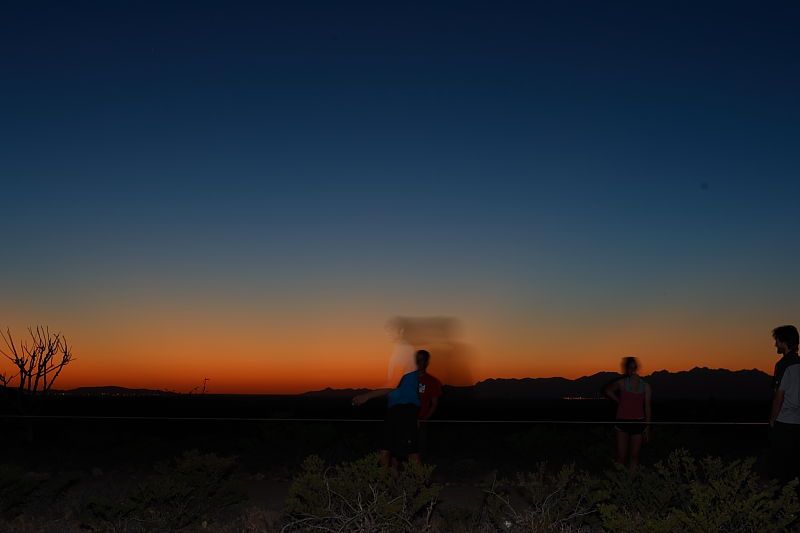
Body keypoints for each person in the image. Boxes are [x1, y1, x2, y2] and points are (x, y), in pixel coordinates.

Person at [352, 350, 425, 468]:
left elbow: (391, 387)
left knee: (411, 452)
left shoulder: (408, 369)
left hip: (405, 411)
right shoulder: (399, 370)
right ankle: (383, 485)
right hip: (394, 411)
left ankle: (421, 484)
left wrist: (366, 396)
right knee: (385, 449)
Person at [604, 357, 652, 470]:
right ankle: (620, 483)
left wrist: (648, 427)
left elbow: (648, 407)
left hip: (638, 423)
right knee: (621, 456)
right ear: (626, 369)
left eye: (634, 367)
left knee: (634, 456)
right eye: (630, 368)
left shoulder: (645, 386)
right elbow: (608, 390)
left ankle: (630, 484)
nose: (633, 370)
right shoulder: (621, 383)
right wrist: (619, 401)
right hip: (622, 421)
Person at [768, 325, 800, 481]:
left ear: (784, 342)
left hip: (784, 422)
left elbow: (778, 396)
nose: (775, 345)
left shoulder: (782, 365)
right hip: (798, 422)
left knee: (779, 467)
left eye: (777, 341)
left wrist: (773, 419)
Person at [416, 350, 443, 456]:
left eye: (421, 360)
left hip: (421, 422)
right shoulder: (408, 378)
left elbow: (434, 404)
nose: (418, 362)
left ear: (426, 362)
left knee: (419, 452)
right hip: (406, 420)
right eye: (417, 359)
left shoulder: (432, 381)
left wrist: (424, 419)